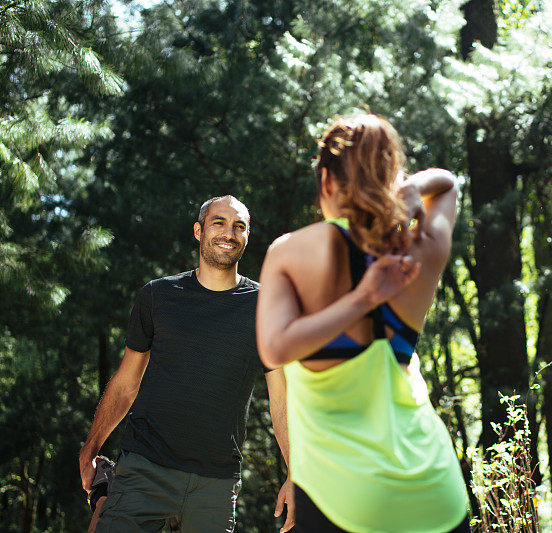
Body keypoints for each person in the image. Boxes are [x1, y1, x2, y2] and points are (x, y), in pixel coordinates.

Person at [256, 114, 470, 532]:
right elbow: (448, 184)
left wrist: (362, 298)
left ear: (326, 180)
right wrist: (413, 189)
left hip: (346, 503)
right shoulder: (419, 247)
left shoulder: (291, 252)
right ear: (392, 177)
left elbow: (275, 348)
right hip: (435, 491)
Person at [79, 195, 295, 533]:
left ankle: (106, 496)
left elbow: (281, 399)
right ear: (198, 230)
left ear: (247, 237)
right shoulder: (158, 296)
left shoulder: (267, 307)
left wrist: (295, 473)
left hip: (216, 481)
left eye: (239, 226)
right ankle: (109, 494)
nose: (229, 233)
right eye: (219, 223)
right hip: (144, 467)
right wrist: (91, 447)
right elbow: (126, 382)